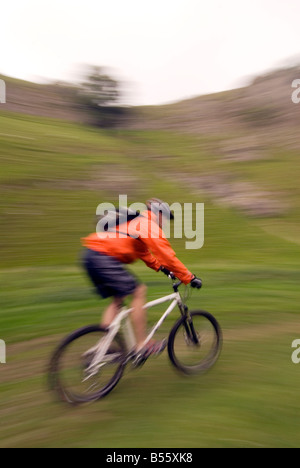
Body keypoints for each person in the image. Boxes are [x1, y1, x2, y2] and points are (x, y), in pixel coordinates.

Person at [81, 198, 202, 357]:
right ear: (158, 214)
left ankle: (105, 346)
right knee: (139, 291)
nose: (164, 222)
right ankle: (142, 345)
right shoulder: (148, 224)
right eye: (165, 218)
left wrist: (164, 270)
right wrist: (189, 277)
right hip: (103, 258)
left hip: (90, 255)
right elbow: (167, 256)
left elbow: (146, 255)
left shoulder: (135, 224)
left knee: (117, 299)